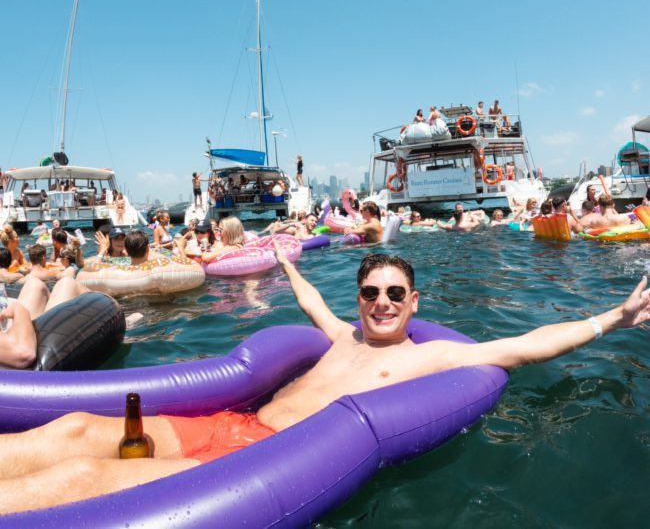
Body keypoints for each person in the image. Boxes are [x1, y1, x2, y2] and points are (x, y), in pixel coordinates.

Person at [0, 250, 648, 513]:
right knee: (78, 429)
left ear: (415, 302)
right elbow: (312, 301)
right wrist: (285, 261)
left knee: (86, 481)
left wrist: (613, 318)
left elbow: (527, 345)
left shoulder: (431, 361)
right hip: (226, 427)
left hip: (256, 460)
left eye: (396, 293)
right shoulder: (343, 334)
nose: (382, 302)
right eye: (371, 291)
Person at [0, 275, 91, 369]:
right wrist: (18, 310)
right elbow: (22, 352)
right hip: (29, 371)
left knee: (34, 284)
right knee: (68, 284)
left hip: (8, 342)